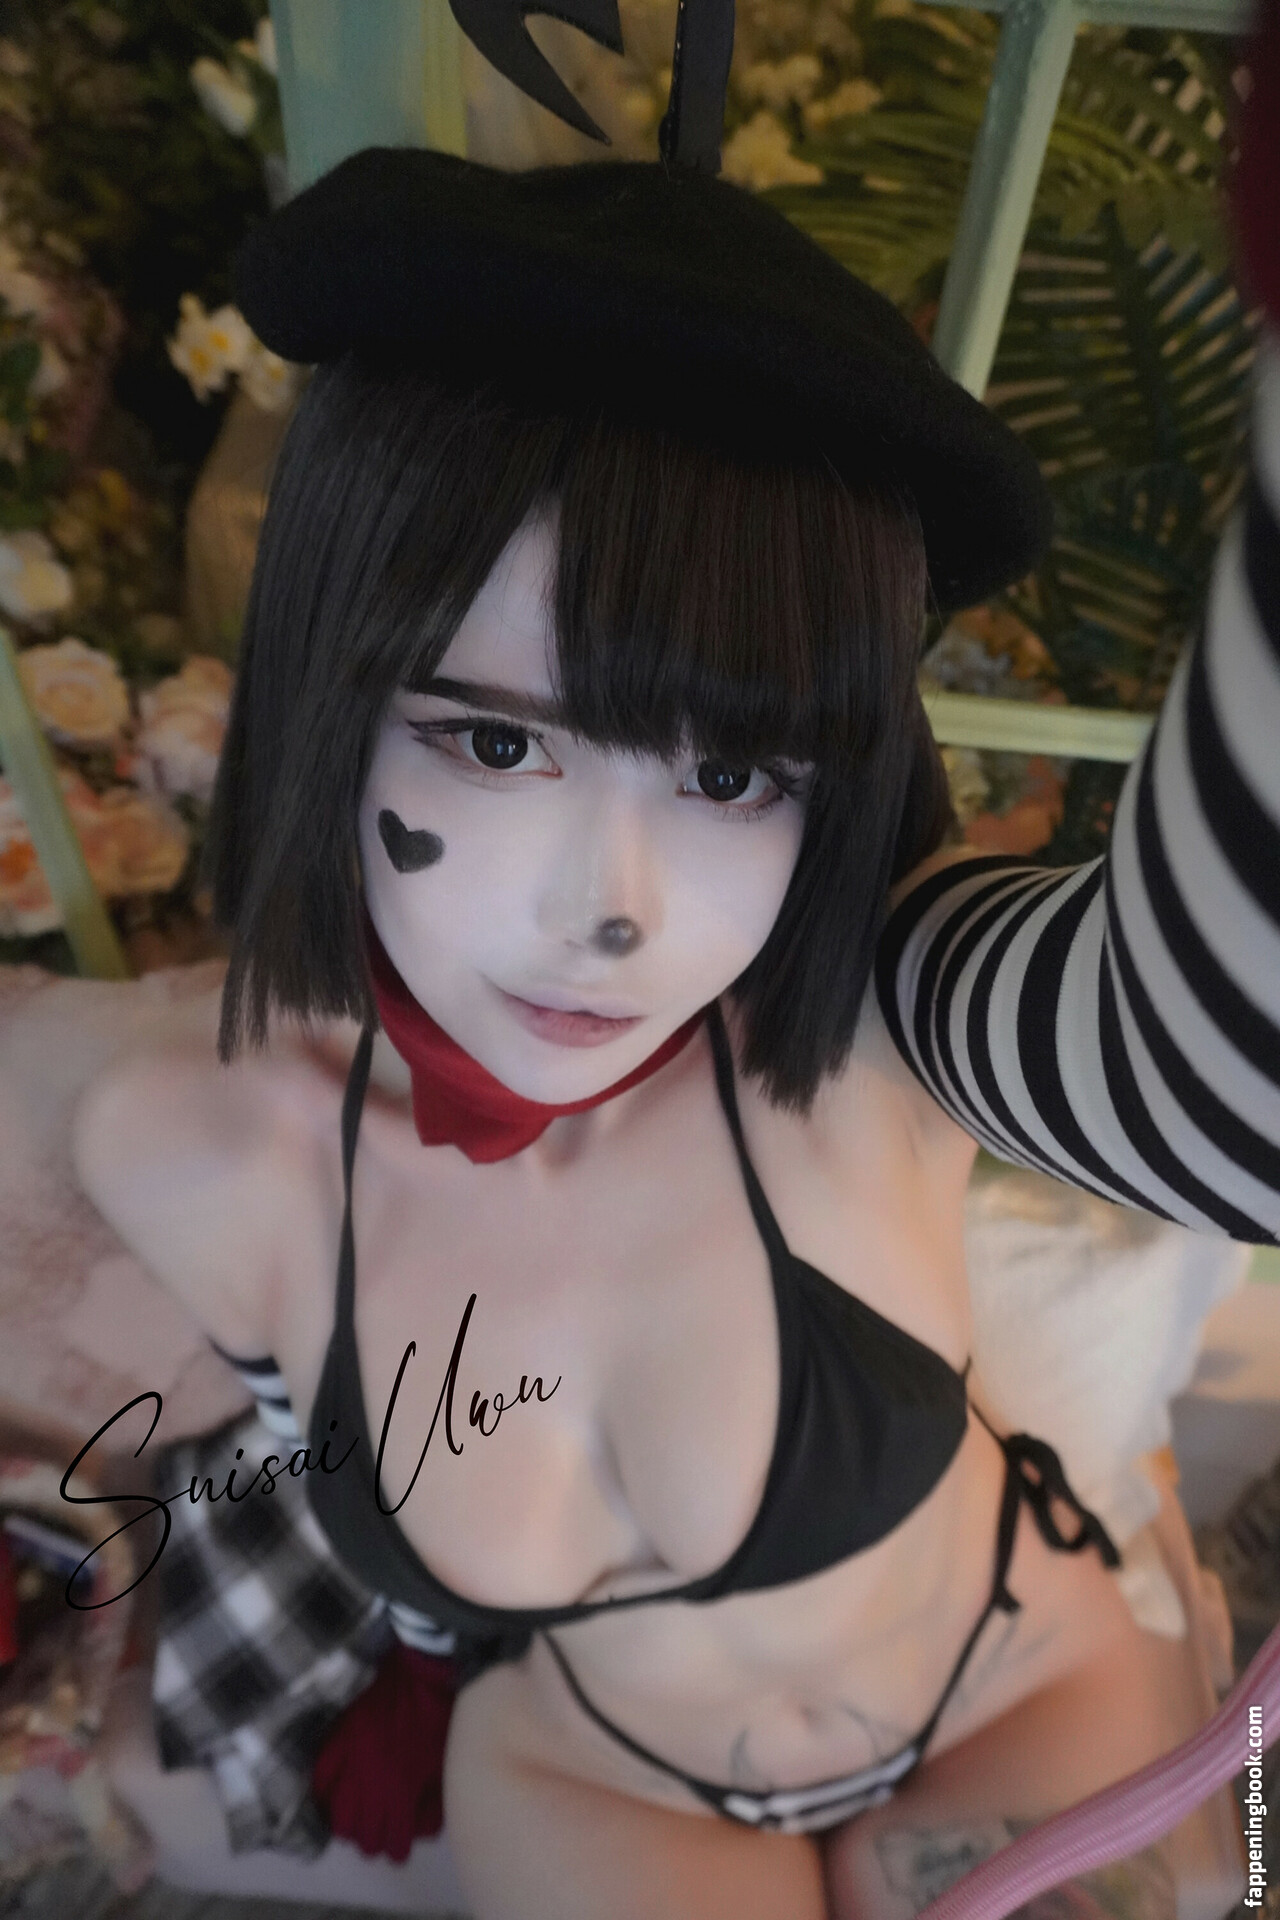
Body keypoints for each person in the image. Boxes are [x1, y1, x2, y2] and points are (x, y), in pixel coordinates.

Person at [67, 10, 1278, 1917]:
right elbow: (282, 1447)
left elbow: (1225, 1085)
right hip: (593, 1773)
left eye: (729, 775)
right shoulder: (190, 1147)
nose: (613, 909)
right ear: (326, 690)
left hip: (1013, 1680)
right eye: (492, 740)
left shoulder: (871, 1002)